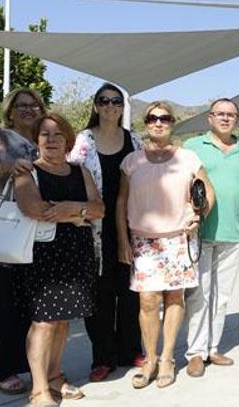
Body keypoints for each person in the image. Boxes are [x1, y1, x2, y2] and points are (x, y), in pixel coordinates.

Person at [118, 101, 213, 389]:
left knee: (175, 299)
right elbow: (121, 202)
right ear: (145, 123)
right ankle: (150, 359)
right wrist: (123, 240)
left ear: (172, 123)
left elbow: (207, 193)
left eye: (165, 118)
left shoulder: (188, 158)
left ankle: (168, 358)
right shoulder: (132, 161)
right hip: (144, 241)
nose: (158, 123)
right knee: (147, 301)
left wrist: (198, 216)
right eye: (152, 118)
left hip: (178, 241)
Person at [14, 112, 103, 406]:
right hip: (43, 255)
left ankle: (54, 375)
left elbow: (98, 209)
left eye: (57, 134)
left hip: (77, 254)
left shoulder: (81, 172)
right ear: (36, 140)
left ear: (67, 139)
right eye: (45, 135)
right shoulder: (28, 173)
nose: (51, 140)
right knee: (43, 322)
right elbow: (33, 209)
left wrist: (71, 208)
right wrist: (79, 215)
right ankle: (39, 389)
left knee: (63, 321)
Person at [0, 88, 45, 396]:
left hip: (42, 229)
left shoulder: (47, 138)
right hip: (11, 228)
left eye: (34, 105)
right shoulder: (0, 141)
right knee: (7, 304)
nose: (29, 110)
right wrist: (4, 167)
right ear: (10, 111)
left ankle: (37, 366)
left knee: (37, 303)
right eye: (22, 105)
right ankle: (4, 369)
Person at [68, 83, 144, 382]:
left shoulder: (134, 140)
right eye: (104, 101)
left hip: (128, 226)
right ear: (95, 106)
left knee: (129, 293)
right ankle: (102, 357)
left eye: (116, 101)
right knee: (99, 295)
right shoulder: (83, 140)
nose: (110, 106)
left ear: (123, 107)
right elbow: (71, 175)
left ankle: (129, 350)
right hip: (94, 229)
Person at [183, 98, 239, 377]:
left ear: (237, 119)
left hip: (233, 234)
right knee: (199, 295)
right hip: (200, 233)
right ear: (209, 118)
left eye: (231, 115)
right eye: (220, 114)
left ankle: (213, 348)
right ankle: (195, 353)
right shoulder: (193, 147)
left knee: (222, 296)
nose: (226, 118)